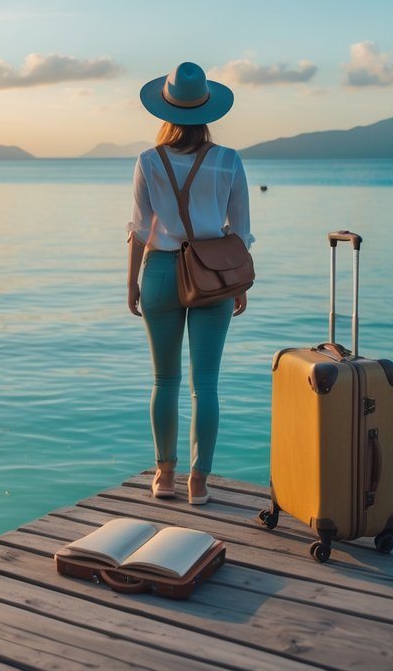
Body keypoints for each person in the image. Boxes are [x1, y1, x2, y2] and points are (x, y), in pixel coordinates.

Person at [126, 61, 254, 505]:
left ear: (165, 110)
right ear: (207, 111)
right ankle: (199, 482)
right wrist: (238, 286)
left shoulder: (148, 161)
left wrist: (131, 283)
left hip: (160, 271)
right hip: (213, 275)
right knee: (207, 384)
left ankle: (164, 477)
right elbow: (241, 232)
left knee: (164, 381)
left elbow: (141, 231)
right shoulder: (228, 161)